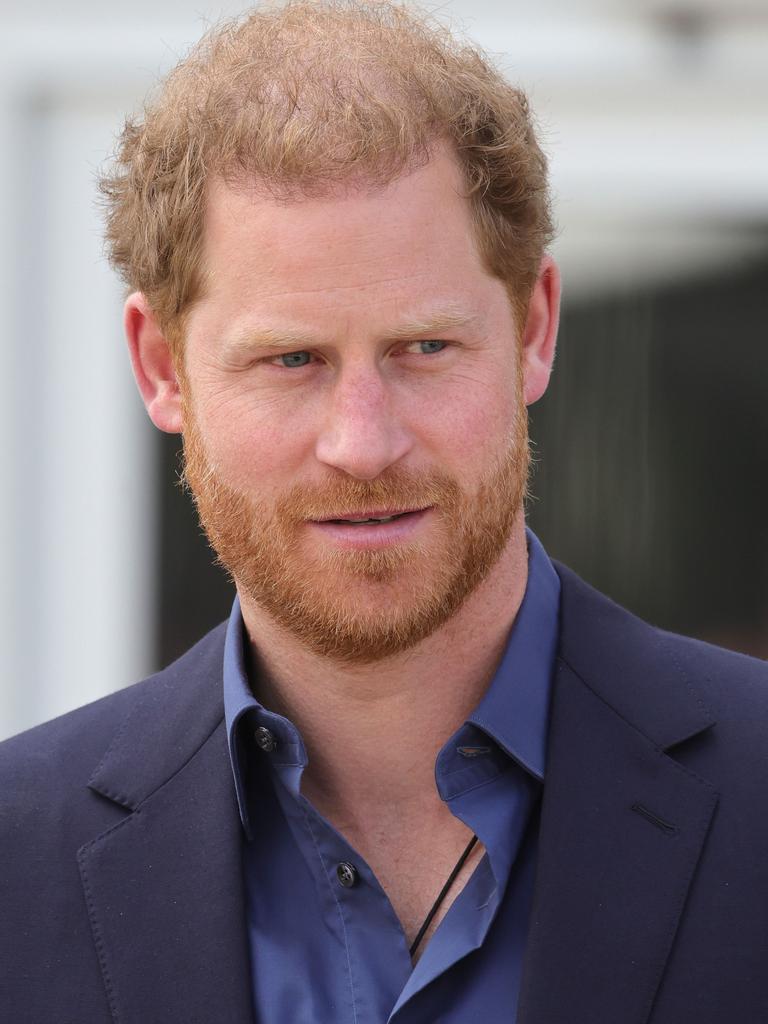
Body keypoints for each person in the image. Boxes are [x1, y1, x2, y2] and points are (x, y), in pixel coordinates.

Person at [1, 2, 767, 1021]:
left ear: (534, 327)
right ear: (160, 366)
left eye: (424, 349)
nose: (362, 442)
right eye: (291, 360)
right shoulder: (19, 859)